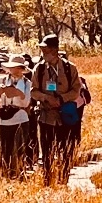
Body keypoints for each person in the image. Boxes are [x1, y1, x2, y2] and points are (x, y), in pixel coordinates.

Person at [31, 33, 83, 187]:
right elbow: (33, 91)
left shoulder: (69, 68)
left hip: (65, 116)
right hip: (46, 116)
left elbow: (76, 90)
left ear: (54, 50)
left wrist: (61, 99)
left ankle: (63, 180)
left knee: (65, 150)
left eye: (45, 50)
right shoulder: (39, 69)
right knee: (47, 151)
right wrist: (46, 98)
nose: (43, 53)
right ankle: (47, 181)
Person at [0, 53, 34, 180]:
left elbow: (26, 102)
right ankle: (6, 175)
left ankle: (20, 174)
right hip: (4, 120)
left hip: (20, 118)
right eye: (13, 67)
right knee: (5, 149)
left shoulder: (27, 83)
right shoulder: (1, 81)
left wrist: (18, 94)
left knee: (20, 149)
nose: (15, 70)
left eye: (18, 68)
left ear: (22, 69)